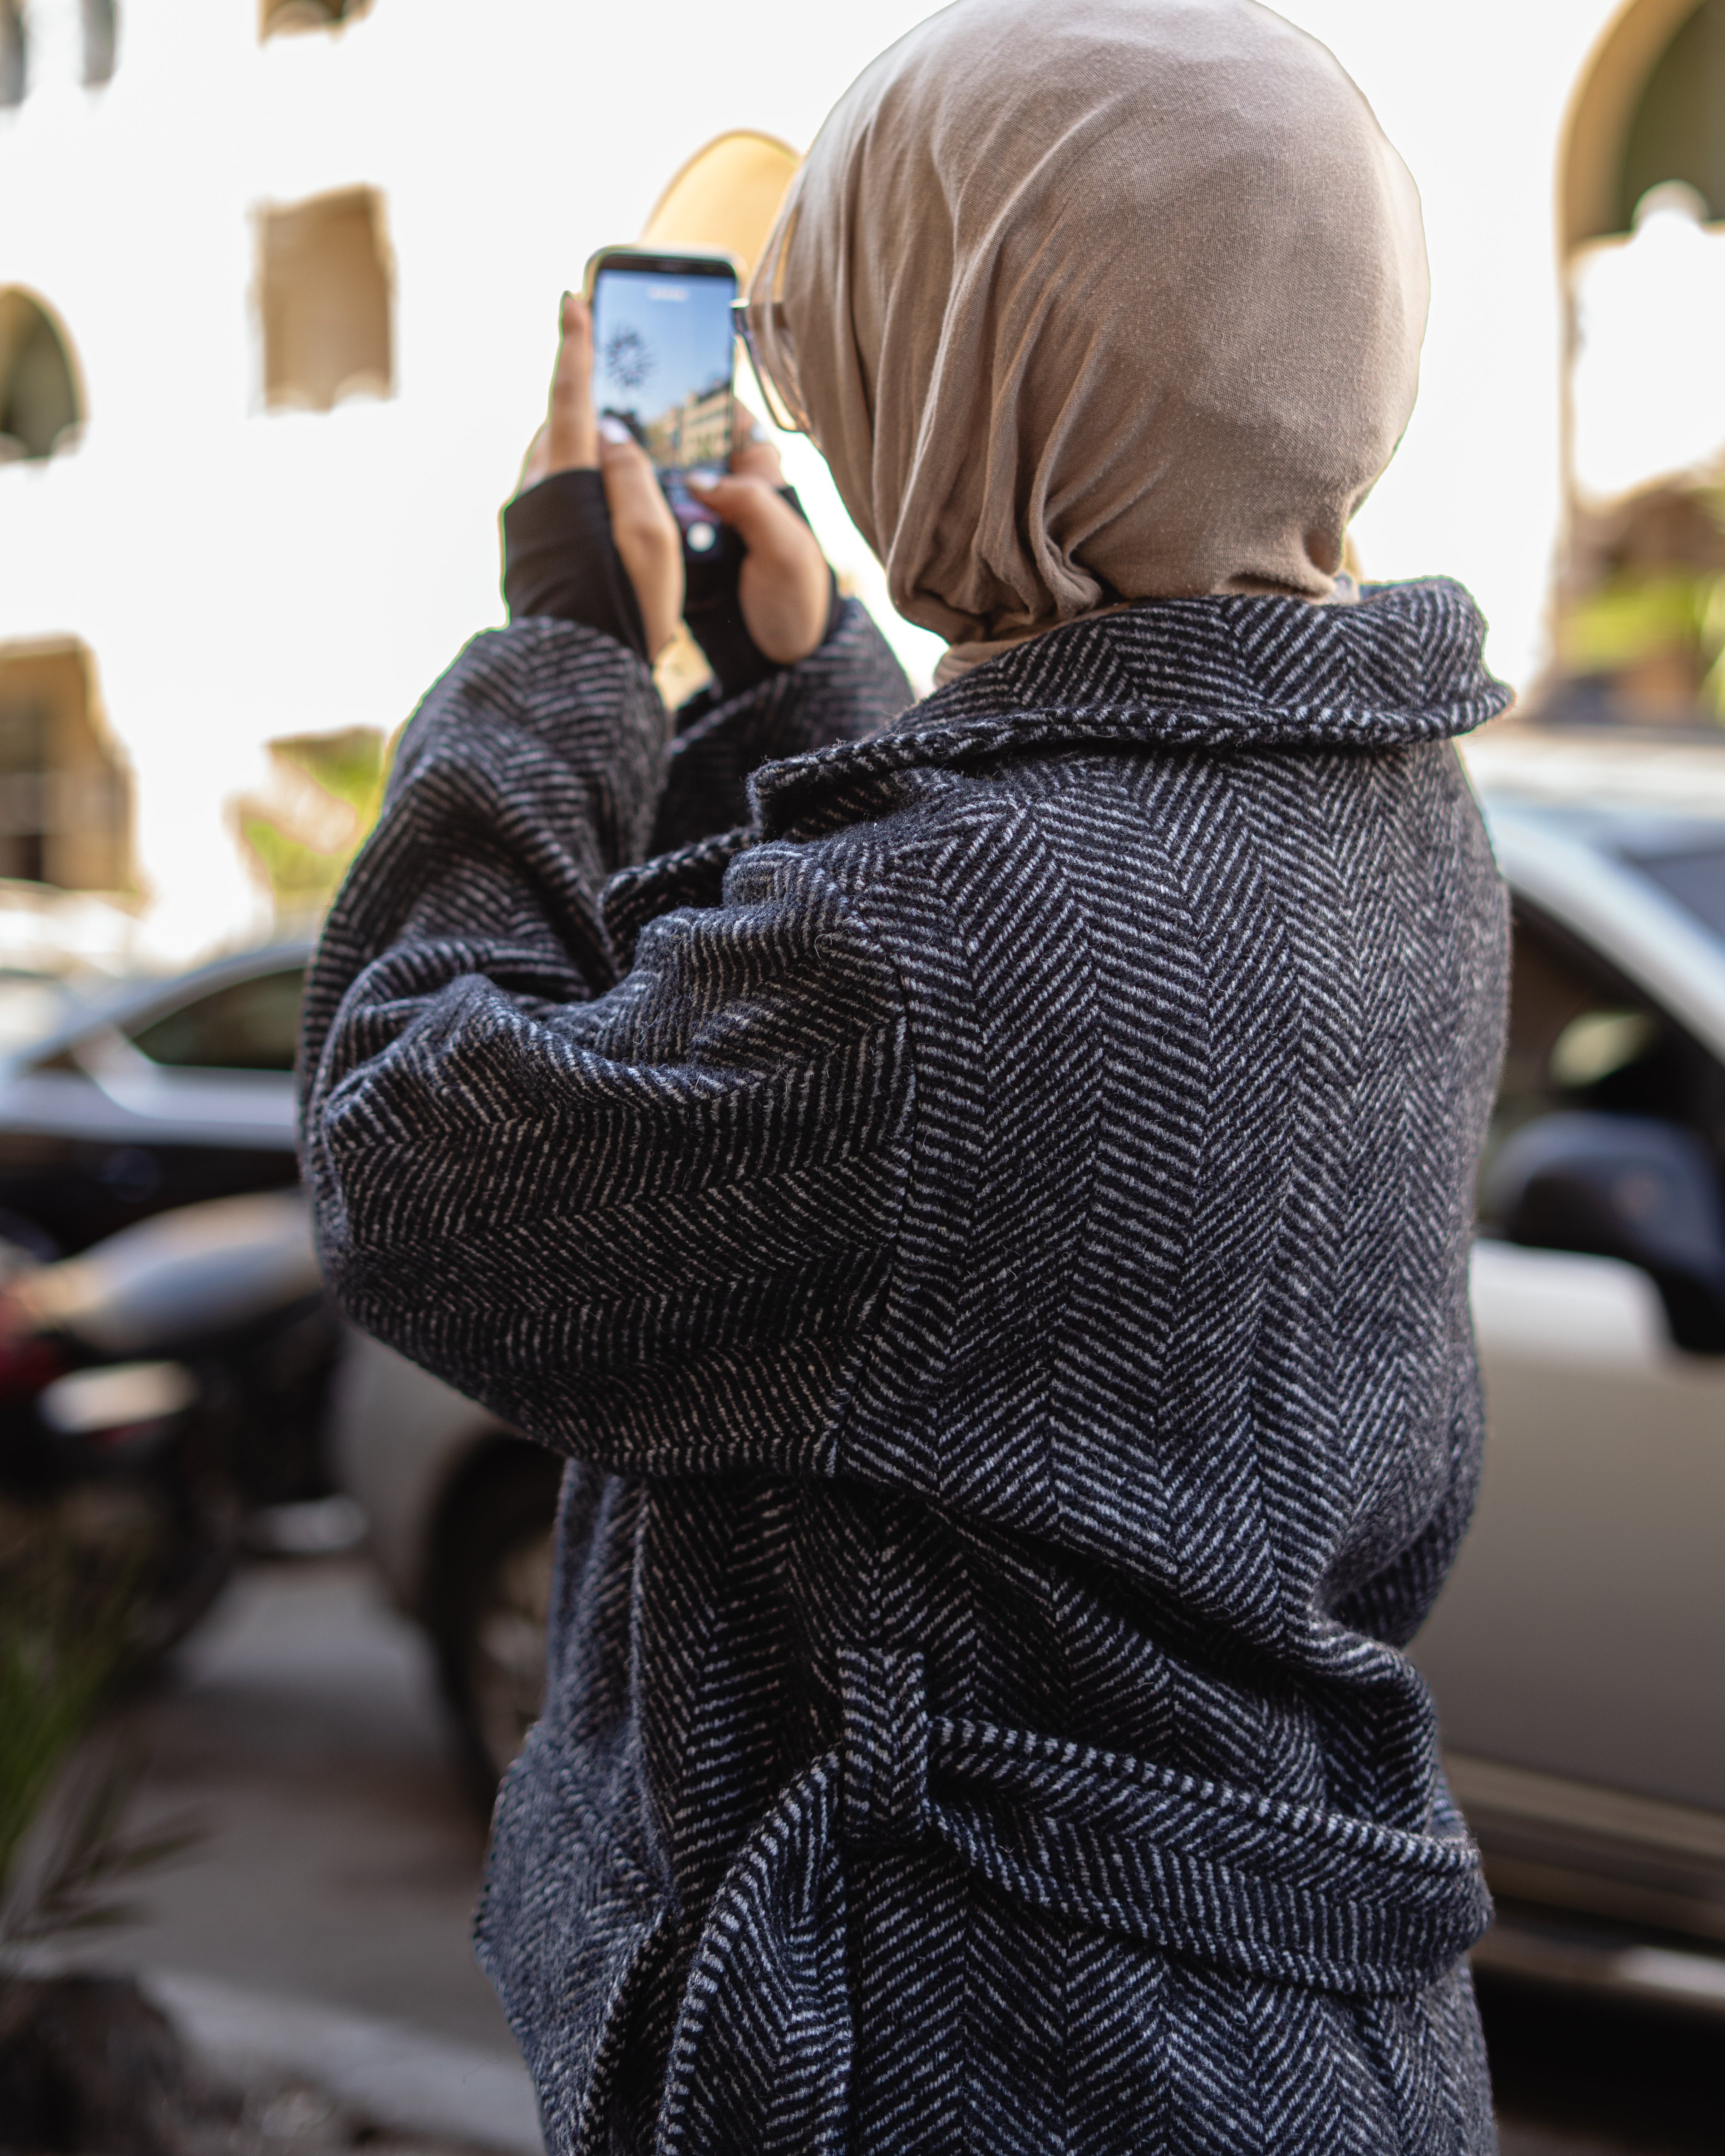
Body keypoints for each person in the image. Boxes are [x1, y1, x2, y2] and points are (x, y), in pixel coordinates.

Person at [299, 1, 1512, 2147]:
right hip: (1295, 2038)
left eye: (842, 325)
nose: (813, 393)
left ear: (977, 365)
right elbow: (957, 1129)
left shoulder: (923, 956)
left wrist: (564, 655)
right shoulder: (1394, 817)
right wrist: (806, 681)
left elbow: (417, 1160)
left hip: (958, 2054)